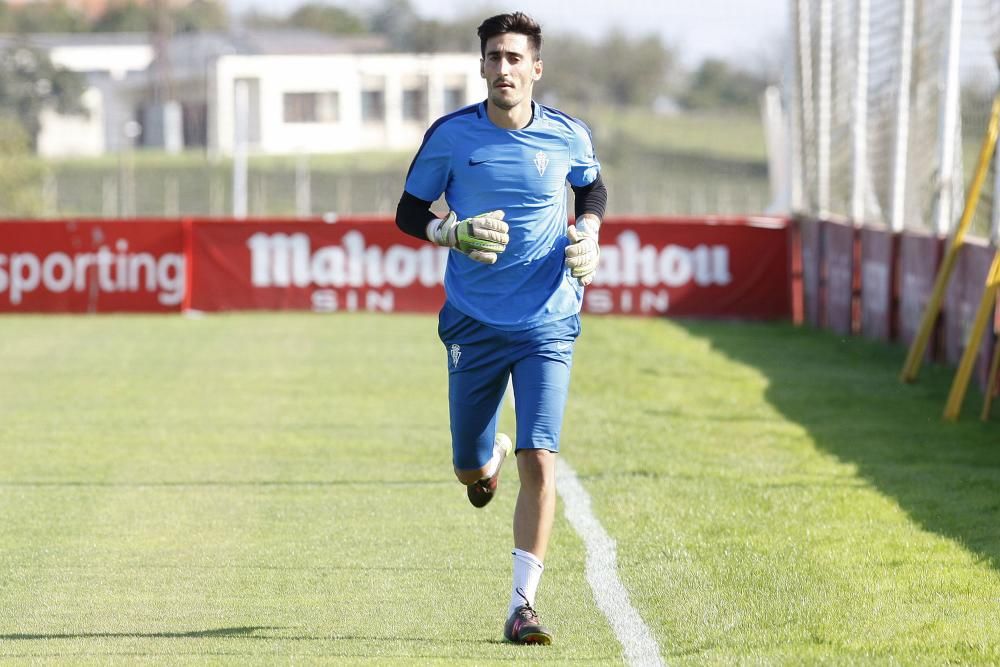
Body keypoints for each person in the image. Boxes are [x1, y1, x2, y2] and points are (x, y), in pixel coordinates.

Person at [394, 11, 607, 646]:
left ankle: (522, 607)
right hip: (473, 323)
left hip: (549, 319)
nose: (505, 68)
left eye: (516, 58)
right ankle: (486, 458)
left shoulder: (568, 135)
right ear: (482, 66)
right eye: (495, 57)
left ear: (536, 69)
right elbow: (408, 211)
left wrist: (590, 235)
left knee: (541, 458)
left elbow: (592, 191)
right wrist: (448, 232)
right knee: (468, 470)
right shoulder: (452, 136)